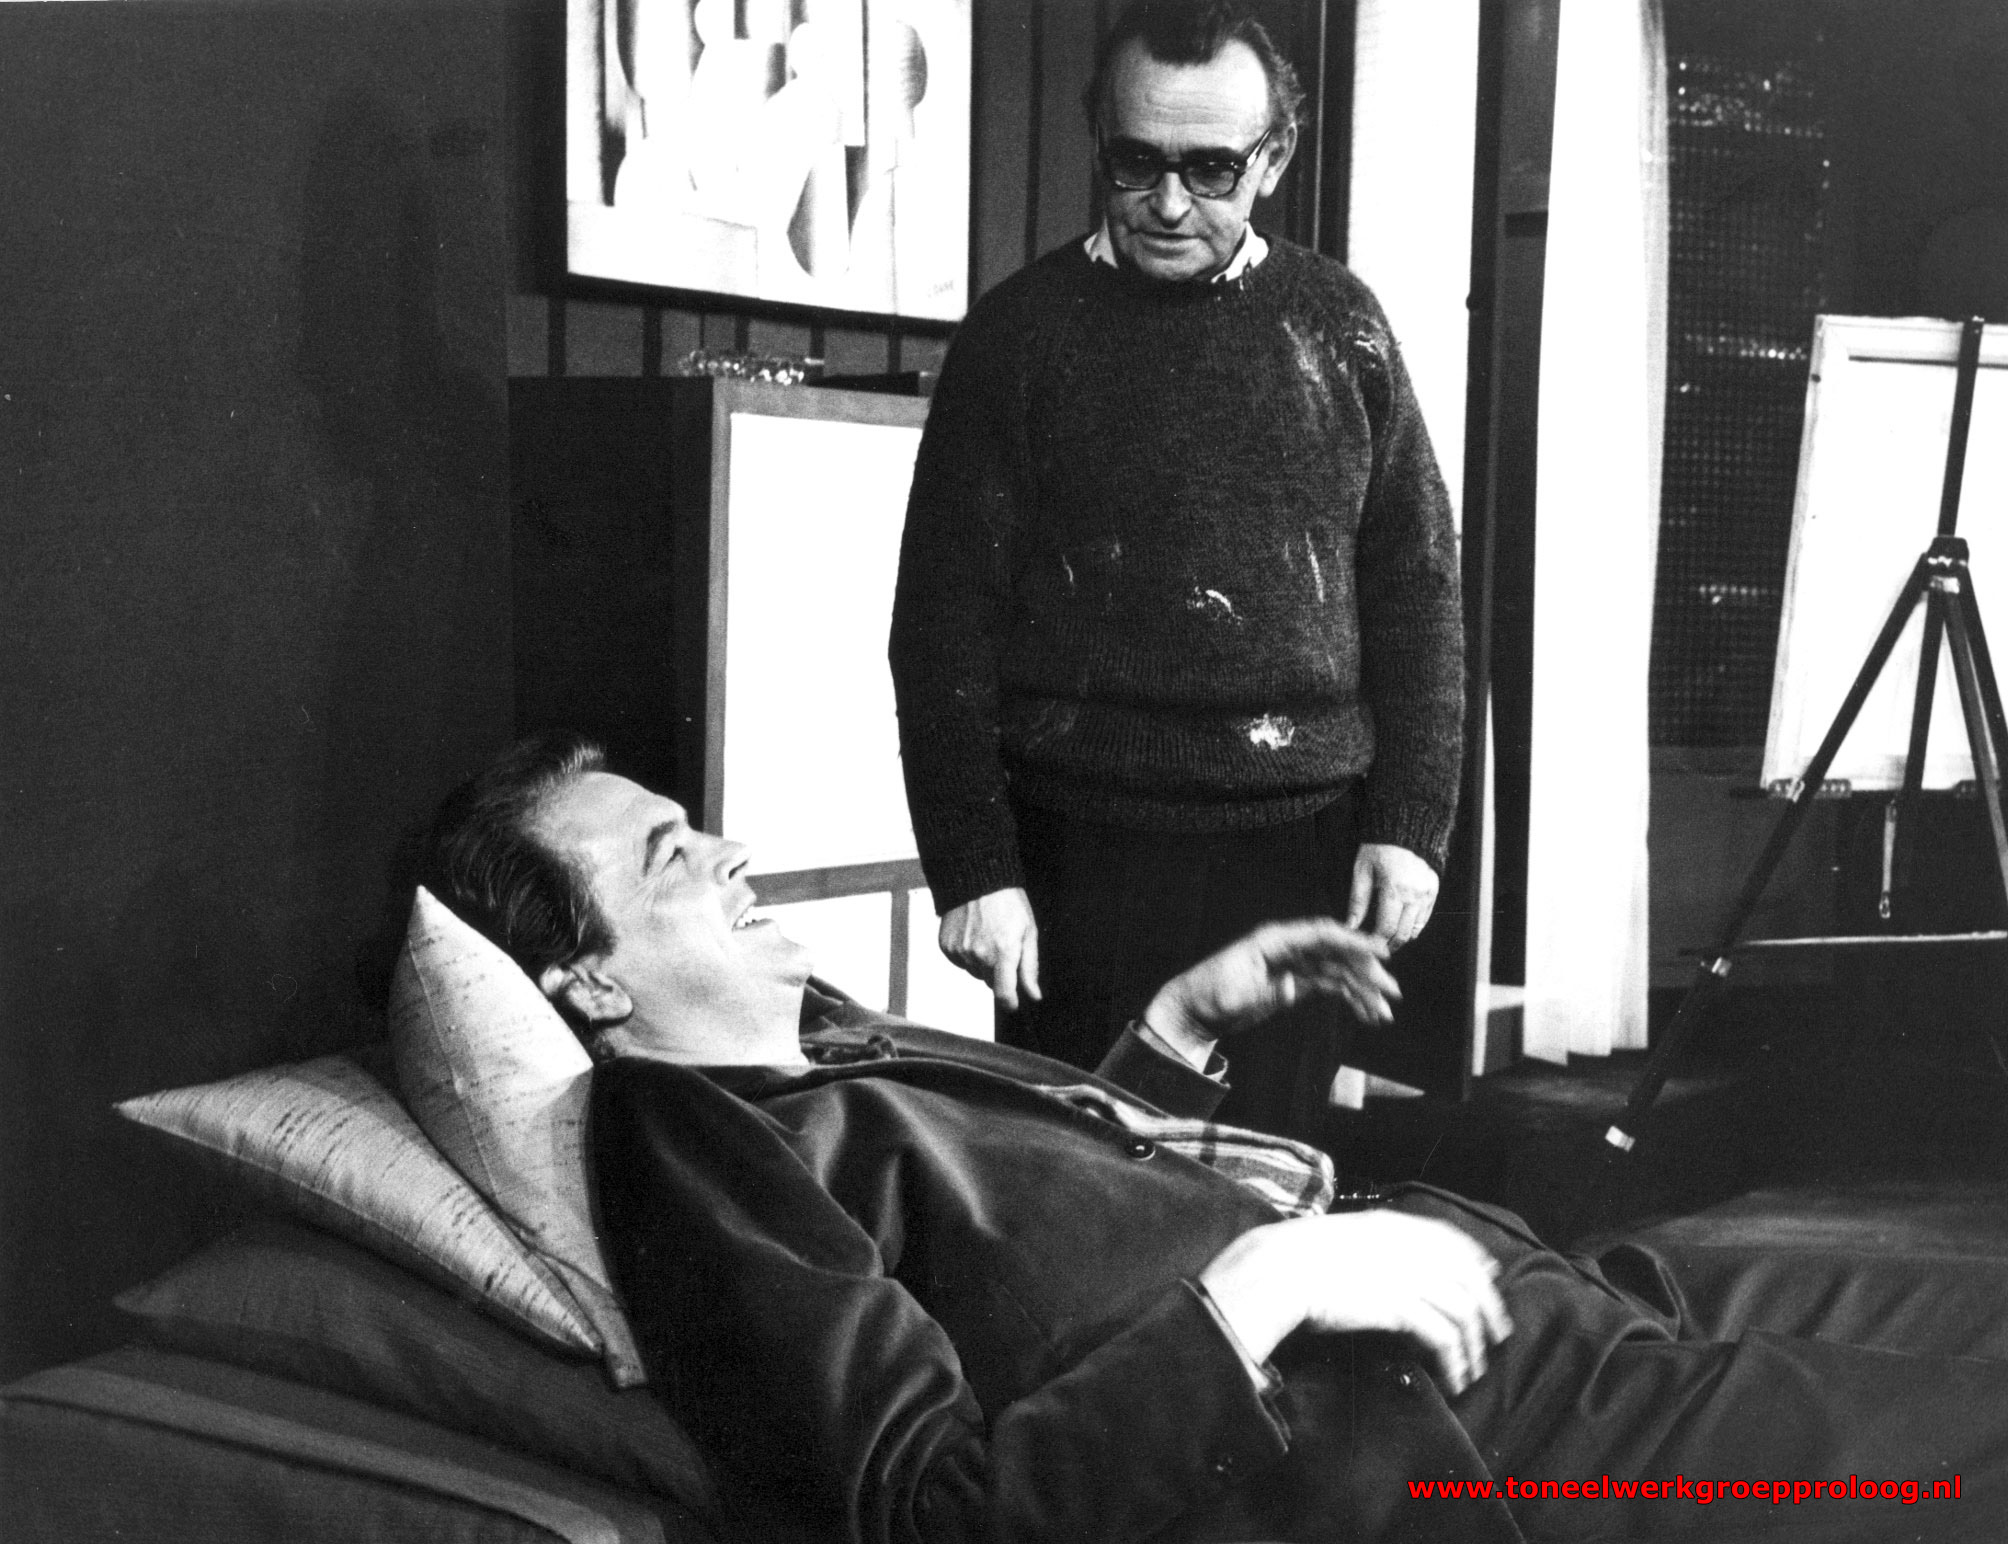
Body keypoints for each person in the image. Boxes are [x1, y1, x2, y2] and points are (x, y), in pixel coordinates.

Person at [425, 739, 2007, 1544]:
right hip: (1461, 1436)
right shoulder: (692, 1147)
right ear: (588, 982)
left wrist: (1178, 1030)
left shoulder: (822, 1049)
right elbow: (933, 1517)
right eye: (670, 858)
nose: (731, 853)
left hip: (1514, 1303)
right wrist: (1274, 1281)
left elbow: (1039, 1223)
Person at [888, 0, 1464, 1137]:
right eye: (1134, 161)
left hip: (1300, 846)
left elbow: (1418, 590)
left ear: (1274, 159)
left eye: (1210, 169)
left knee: (1270, 1175)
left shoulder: (1342, 325)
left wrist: (1409, 822)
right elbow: (941, 622)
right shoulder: (1015, 339)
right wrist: (973, 867)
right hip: (1079, 851)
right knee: (1084, 1178)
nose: (1165, 203)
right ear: (1096, 139)